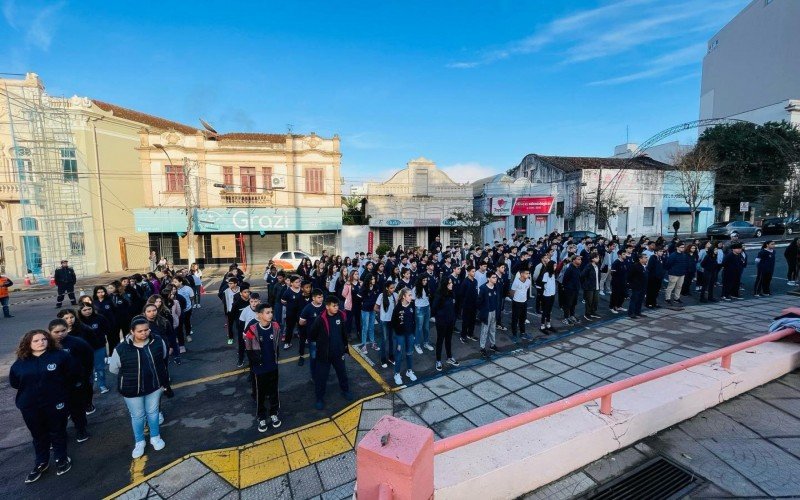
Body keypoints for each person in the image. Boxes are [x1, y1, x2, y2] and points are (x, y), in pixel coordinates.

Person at [9, 329, 75, 482]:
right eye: (36, 341)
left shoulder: (61, 356)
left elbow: (72, 375)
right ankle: (41, 462)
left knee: (57, 431)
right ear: (28, 343)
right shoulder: (20, 362)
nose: (41, 343)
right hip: (30, 406)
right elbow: (15, 382)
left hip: (55, 403)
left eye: (44, 339)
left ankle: (61, 458)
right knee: (38, 434)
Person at [108, 316, 171, 459]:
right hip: (131, 389)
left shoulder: (158, 342)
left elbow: (163, 358)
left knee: (153, 412)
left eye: (146, 330)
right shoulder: (121, 348)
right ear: (132, 332)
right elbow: (113, 368)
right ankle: (139, 442)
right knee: (137, 416)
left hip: (154, 386)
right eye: (140, 331)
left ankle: (155, 437)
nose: (144, 333)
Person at [47, 319, 93, 443]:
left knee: (77, 409)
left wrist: (82, 378)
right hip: (55, 387)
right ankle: (59, 434)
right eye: (56, 332)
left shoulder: (77, 343)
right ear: (50, 332)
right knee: (57, 413)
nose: (60, 334)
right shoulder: (45, 346)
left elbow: (88, 360)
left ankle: (81, 429)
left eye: (63, 331)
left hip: (74, 384)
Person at [309, 295, 352, 410]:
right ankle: (319, 398)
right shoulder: (320, 319)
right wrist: (319, 348)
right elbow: (312, 335)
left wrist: (344, 347)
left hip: (338, 353)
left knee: (342, 374)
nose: (337, 307)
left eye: (337, 305)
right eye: (334, 306)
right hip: (324, 355)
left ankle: (345, 391)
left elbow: (344, 333)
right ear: (327, 307)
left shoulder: (341, 316)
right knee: (321, 378)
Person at [243, 304, 282, 432]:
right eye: (267, 312)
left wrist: (276, 360)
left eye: (271, 312)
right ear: (259, 315)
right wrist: (255, 364)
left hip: (272, 366)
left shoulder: (276, 327)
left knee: (273, 391)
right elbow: (248, 349)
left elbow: (276, 345)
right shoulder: (252, 330)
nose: (270, 314)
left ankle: (274, 412)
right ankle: (261, 417)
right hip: (259, 369)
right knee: (260, 394)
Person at [76, 302, 112, 394]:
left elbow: (107, 329)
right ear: (80, 311)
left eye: (89, 309)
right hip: (83, 350)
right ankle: (89, 386)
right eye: (84, 310)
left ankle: (102, 385)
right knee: (87, 370)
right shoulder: (77, 322)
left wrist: (100, 337)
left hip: (98, 347)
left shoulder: (100, 318)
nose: (87, 311)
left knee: (100, 367)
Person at [391, 288, 417, 385]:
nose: (411, 297)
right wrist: (398, 332)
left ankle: (409, 371)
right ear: (404, 296)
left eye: (411, 295)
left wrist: (413, 333)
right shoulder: (397, 308)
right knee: (399, 354)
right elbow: (393, 322)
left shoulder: (412, 305)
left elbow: (414, 320)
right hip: (400, 335)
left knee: (409, 353)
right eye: (409, 295)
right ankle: (397, 374)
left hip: (410, 334)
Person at [432, 278, 459, 371]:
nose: (452, 284)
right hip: (441, 322)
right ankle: (438, 361)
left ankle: (449, 357)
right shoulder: (439, 295)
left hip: (450, 321)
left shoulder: (451, 293)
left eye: (451, 283)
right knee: (440, 340)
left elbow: (454, 306)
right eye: (450, 283)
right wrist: (439, 317)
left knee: (449, 339)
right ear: (445, 285)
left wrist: (453, 317)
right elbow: (434, 308)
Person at [298, 289, 325, 370]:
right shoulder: (307, 308)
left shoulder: (325, 306)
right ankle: (314, 374)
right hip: (313, 337)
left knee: (323, 354)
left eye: (322, 297)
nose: (321, 299)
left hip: (324, 336)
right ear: (313, 298)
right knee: (313, 356)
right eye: (319, 297)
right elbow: (301, 322)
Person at [477, 273, 500, 357]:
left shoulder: (496, 287)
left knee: (493, 329)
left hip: (494, 311)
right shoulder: (483, 289)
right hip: (487, 312)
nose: (495, 279)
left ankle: (492, 345)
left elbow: (498, 299)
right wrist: (483, 311)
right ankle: (482, 347)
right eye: (493, 277)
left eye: (496, 277)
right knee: (484, 330)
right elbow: (479, 302)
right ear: (488, 278)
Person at [375, 282, 397, 369]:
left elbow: (396, 306)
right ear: (387, 288)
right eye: (391, 288)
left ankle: (391, 357)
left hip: (392, 321)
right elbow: (375, 307)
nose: (393, 289)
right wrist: (382, 313)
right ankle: (383, 359)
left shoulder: (395, 295)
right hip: (384, 321)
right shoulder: (381, 296)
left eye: (394, 288)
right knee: (384, 340)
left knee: (392, 339)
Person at [280, 275, 304, 350]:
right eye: (296, 282)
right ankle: (287, 343)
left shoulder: (302, 290)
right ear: (292, 283)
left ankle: (304, 340)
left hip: (300, 313)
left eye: (299, 282)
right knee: (289, 328)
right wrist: (290, 305)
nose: (298, 283)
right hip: (290, 313)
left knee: (302, 327)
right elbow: (283, 301)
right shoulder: (288, 291)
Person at [358, 274, 380, 353]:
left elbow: (378, 298)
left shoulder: (376, 287)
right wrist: (363, 305)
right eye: (372, 279)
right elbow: (359, 298)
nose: (374, 280)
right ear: (368, 280)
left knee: (371, 327)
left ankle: (372, 343)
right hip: (365, 310)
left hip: (372, 310)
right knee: (365, 327)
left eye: (374, 278)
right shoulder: (364, 288)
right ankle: (364, 345)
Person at [412, 275, 433, 353]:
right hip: (419, 309)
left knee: (426, 327)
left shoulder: (427, 287)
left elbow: (427, 297)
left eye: (426, 280)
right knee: (419, 328)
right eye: (423, 280)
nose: (425, 282)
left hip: (427, 308)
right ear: (420, 280)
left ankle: (426, 343)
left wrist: (429, 307)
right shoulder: (415, 288)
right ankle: (417, 344)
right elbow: (412, 299)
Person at [458, 266, 479, 343]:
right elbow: (461, 294)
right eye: (473, 271)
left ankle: (470, 334)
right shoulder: (465, 282)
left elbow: (476, 293)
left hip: (474, 305)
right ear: (469, 272)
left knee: (472, 321)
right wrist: (463, 305)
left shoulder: (475, 281)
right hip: (467, 305)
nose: (474, 273)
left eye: (474, 271)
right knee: (465, 321)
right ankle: (463, 336)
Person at [510, 269, 532, 340]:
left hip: (524, 302)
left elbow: (526, 289)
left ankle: (522, 333)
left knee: (523, 318)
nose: (528, 275)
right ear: (522, 274)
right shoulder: (516, 282)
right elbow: (512, 292)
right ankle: (514, 334)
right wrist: (516, 298)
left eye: (528, 273)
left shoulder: (528, 281)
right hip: (516, 302)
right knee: (515, 318)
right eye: (526, 273)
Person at [580, 252, 601, 321]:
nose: (598, 259)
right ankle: (587, 314)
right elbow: (582, 275)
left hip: (597, 286)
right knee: (589, 301)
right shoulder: (588, 266)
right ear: (592, 259)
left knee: (596, 300)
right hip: (589, 287)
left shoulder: (598, 265)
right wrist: (586, 284)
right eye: (597, 258)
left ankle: (593, 312)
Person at [627, 254, 649, 319]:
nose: (646, 259)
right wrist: (632, 284)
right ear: (640, 259)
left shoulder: (645, 266)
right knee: (634, 300)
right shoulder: (635, 266)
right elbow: (630, 276)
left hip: (643, 286)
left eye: (646, 258)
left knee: (640, 300)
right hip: (637, 286)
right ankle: (631, 313)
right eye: (645, 258)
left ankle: (638, 312)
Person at [538, 260, 557, 333]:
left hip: (552, 294)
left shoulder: (553, 274)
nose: (555, 267)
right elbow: (543, 284)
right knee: (545, 311)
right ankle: (542, 326)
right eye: (554, 266)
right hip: (546, 295)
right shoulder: (546, 274)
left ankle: (548, 325)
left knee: (549, 311)